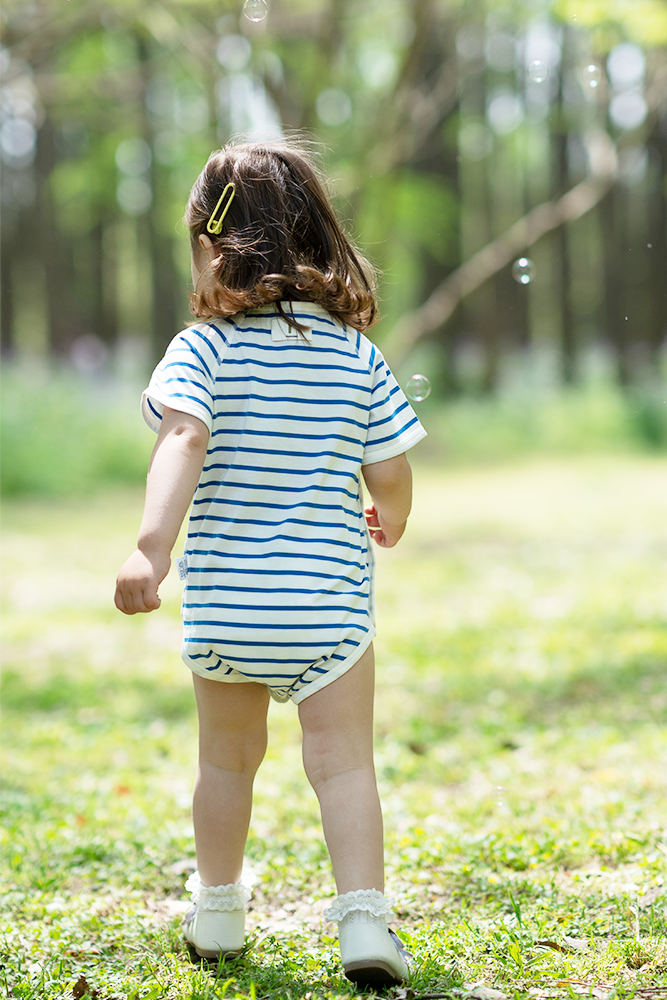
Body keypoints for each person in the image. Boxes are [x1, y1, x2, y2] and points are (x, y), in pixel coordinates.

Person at [114, 141, 426, 986]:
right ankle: (364, 923)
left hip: (227, 610)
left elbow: (182, 436)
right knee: (344, 766)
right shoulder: (357, 357)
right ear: (314, 239)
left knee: (224, 762)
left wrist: (152, 547)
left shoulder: (204, 350)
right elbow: (391, 470)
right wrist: (389, 517)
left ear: (216, 248)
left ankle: (218, 907)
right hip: (327, 612)